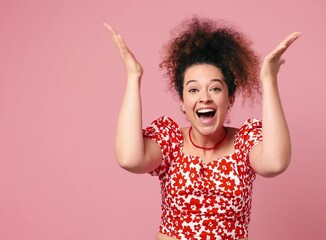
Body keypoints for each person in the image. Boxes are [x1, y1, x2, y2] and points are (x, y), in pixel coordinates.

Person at [105, 17, 300, 240]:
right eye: (194, 90)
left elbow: (275, 163)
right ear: (182, 101)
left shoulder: (245, 141)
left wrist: (269, 80)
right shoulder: (170, 140)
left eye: (215, 88)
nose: (204, 98)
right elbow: (130, 159)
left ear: (230, 99)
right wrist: (133, 77)